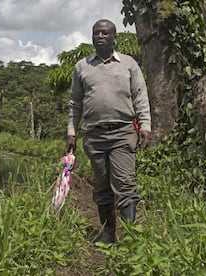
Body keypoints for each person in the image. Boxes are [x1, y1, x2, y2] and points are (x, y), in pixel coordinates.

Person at [65, 19, 151, 243]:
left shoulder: (129, 64)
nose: (100, 36)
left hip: (123, 132)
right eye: (96, 33)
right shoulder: (82, 67)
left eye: (105, 33)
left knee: (124, 183)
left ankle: (131, 237)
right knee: (102, 185)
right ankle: (109, 233)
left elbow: (140, 96)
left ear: (114, 37)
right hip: (94, 135)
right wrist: (71, 132)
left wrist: (145, 126)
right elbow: (75, 103)